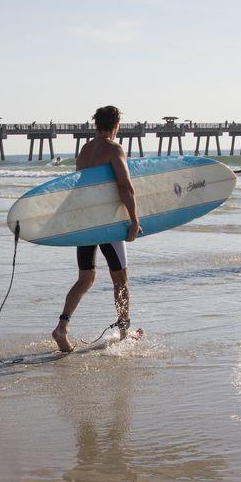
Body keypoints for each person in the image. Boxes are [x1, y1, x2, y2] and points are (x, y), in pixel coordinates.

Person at [52, 105, 144, 352]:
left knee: (85, 277)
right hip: (107, 225)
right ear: (117, 125)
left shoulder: (85, 150)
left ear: (96, 125)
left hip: (86, 222)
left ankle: (62, 327)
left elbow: (79, 187)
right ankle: (126, 332)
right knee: (121, 280)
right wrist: (135, 221)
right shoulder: (114, 149)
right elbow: (125, 187)